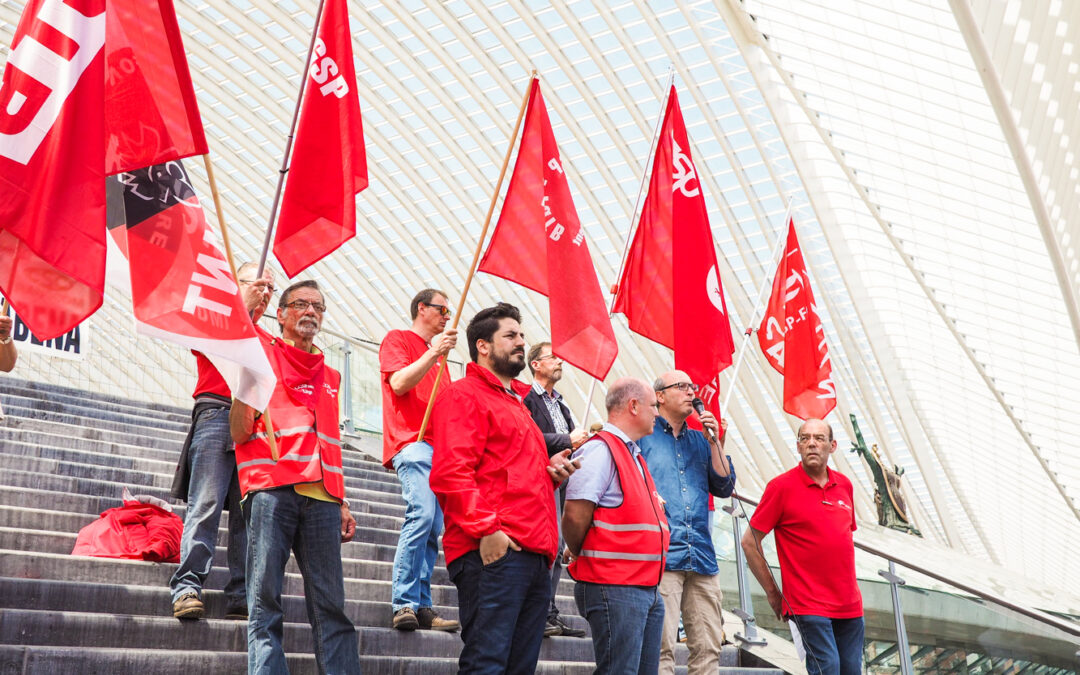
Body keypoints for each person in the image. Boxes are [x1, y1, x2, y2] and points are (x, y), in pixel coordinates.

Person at [430, 302, 580, 674]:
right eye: (510, 336)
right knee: (488, 663)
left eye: (522, 335)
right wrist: (487, 530)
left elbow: (508, 472)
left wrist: (550, 473)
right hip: (496, 551)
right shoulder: (464, 394)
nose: (520, 342)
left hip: (532, 552)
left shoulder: (517, 404)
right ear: (483, 346)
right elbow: (451, 472)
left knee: (518, 666)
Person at [230, 280, 361, 674]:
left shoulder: (332, 377)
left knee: (331, 606)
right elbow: (238, 432)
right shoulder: (259, 355)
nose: (310, 312)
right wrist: (244, 307)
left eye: (318, 307)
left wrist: (343, 500)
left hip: (322, 499)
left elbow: (330, 444)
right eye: (301, 304)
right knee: (264, 599)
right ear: (281, 313)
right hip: (271, 488)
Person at [170, 262, 273, 621]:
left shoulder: (267, 338)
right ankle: (187, 587)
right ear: (237, 286)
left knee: (249, 514)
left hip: (254, 423)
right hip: (216, 412)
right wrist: (241, 305)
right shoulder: (215, 319)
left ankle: (242, 592)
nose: (265, 292)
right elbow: (217, 344)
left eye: (270, 289)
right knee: (206, 504)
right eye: (258, 284)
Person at [562, 378, 670, 675]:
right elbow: (574, 513)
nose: (657, 414)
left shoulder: (632, 454)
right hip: (615, 586)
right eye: (653, 406)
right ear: (633, 406)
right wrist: (576, 548)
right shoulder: (601, 450)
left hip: (643, 586)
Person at [741, 419, 864, 675]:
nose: (811, 444)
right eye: (805, 438)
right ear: (798, 446)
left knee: (851, 671)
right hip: (807, 604)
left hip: (849, 605)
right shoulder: (781, 487)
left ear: (833, 446)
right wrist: (774, 593)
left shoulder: (845, 486)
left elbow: (840, 541)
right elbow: (749, 541)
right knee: (827, 668)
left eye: (819, 438)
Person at [638, 371, 736, 675]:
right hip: (663, 555)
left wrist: (715, 440)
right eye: (681, 387)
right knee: (661, 646)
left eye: (692, 387)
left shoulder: (701, 440)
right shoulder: (642, 436)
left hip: (702, 558)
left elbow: (724, 486)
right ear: (660, 397)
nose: (690, 392)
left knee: (708, 646)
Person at [380, 289, 460, 632]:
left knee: (432, 528)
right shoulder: (399, 339)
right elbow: (399, 383)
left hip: (439, 450)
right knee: (422, 515)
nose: (447, 315)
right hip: (412, 443)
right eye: (441, 309)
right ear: (421, 308)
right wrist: (433, 352)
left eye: (449, 310)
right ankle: (403, 602)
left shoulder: (440, 362)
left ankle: (421, 604)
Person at [522, 342, 587, 639]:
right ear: (536, 364)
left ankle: (549, 612)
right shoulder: (525, 398)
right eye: (553, 357)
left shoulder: (561, 404)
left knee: (558, 546)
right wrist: (567, 439)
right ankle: (537, 613)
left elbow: (567, 444)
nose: (559, 362)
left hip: (563, 482)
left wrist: (577, 444)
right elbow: (528, 435)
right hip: (539, 481)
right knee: (546, 547)